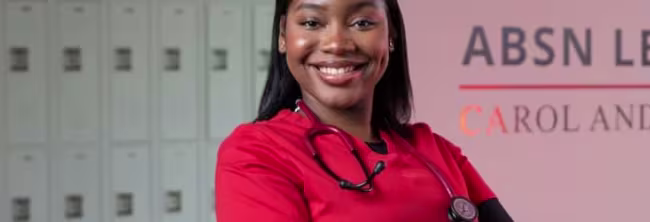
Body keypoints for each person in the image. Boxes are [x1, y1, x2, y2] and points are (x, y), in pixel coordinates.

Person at [214, 0, 513, 221]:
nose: (336, 44)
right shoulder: (256, 153)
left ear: (391, 35)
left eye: (362, 23)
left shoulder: (437, 152)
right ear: (283, 36)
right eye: (311, 23)